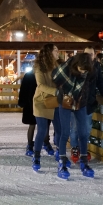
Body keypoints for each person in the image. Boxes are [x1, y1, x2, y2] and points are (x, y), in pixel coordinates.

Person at [52, 52, 95, 180]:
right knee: (65, 132)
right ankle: (62, 162)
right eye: (81, 69)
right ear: (76, 65)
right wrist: (64, 92)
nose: (83, 72)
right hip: (65, 101)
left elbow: (88, 87)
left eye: (85, 70)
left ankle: (84, 162)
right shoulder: (66, 68)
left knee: (83, 133)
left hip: (80, 103)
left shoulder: (89, 72)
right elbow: (55, 78)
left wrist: (85, 100)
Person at [69, 48, 103, 168]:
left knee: (86, 128)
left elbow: (100, 82)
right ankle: (75, 148)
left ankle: (83, 148)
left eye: (91, 54)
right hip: (76, 102)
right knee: (75, 128)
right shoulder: (76, 66)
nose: (89, 56)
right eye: (87, 54)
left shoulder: (96, 67)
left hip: (89, 102)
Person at [31, 44, 61, 172]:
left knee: (60, 129)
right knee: (42, 130)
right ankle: (36, 156)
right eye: (55, 50)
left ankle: (60, 153)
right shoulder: (39, 67)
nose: (58, 52)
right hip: (42, 102)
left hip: (55, 101)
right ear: (49, 52)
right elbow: (41, 85)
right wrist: (56, 91)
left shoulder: (58, 65)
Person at [18, 70, 50, 156]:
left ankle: (46, 142)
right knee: (32, 124)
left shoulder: (45, 74)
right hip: (30, 103)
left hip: (43, 102)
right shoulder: (29, 75)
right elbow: (23, 89)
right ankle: (30, 144)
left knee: (44, 124)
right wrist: (22, 102)